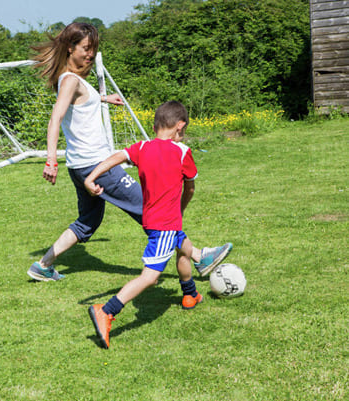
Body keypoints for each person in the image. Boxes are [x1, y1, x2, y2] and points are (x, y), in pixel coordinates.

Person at [26, 22, 231, 282]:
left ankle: (43, 265)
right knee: (153, 210)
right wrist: (51, 159)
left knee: (87, 222)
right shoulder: (69, 81)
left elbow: (79, 102)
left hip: (79, 167)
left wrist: (102, 98)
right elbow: (56, 118)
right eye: (86, 49)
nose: (91, 54)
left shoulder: (71, 80)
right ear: (70, 48)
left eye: (93, 49)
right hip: (97, 166)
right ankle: (201, 257)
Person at [85, 101, 212, 349]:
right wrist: (181, 209)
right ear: (180, 126)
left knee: (185, 248)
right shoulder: (183, 152)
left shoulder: (141, 147)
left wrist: (91, 177)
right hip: (165, 224)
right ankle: (107, 311)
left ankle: (190, 294)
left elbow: (114, 158)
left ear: (154, 125)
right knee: (150, 277)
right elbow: (191, 187)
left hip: (153, 220)